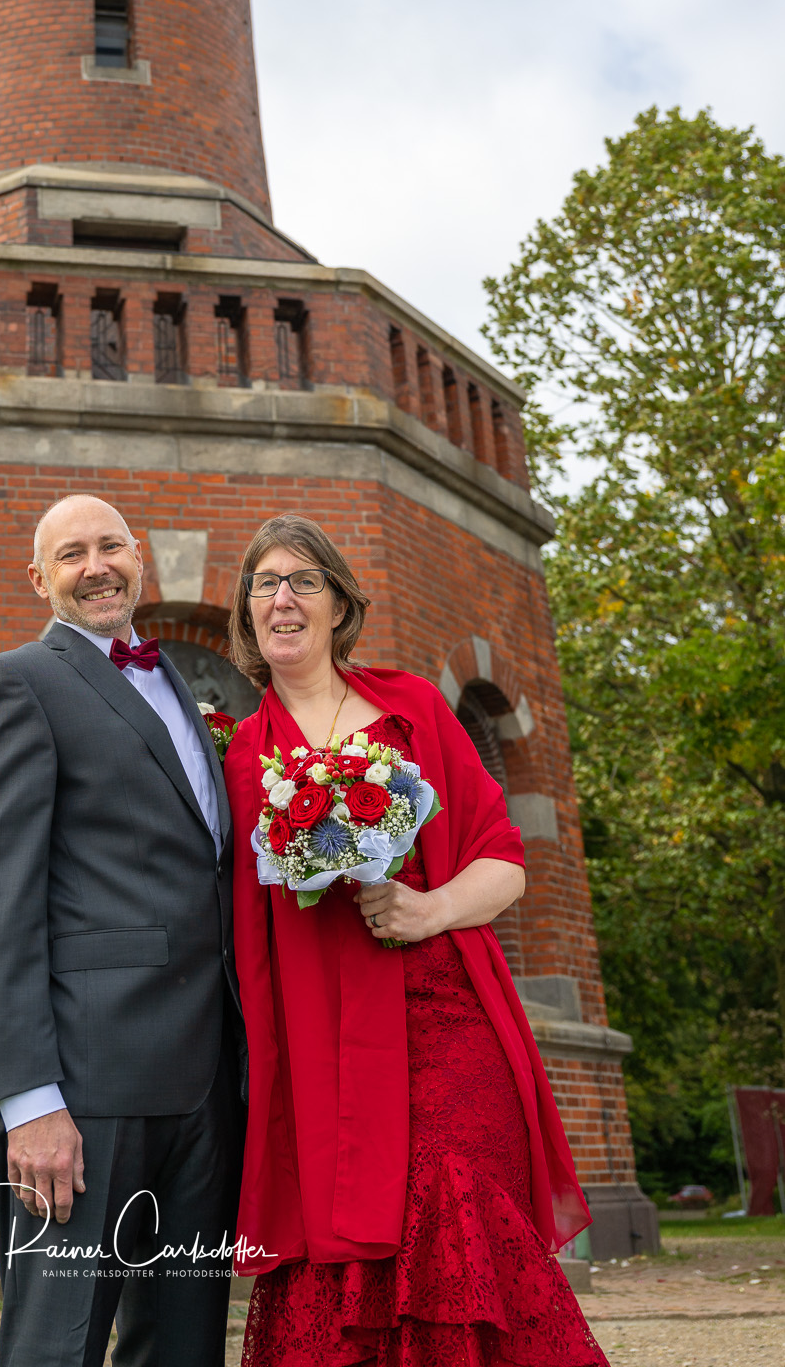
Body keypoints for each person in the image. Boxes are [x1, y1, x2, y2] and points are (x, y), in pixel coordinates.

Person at [222, 514, 607, 1367]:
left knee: (452, 1206)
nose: (281, 599)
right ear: (247, 612)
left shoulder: (414, 711)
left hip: (447, 1026)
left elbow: (503, 861)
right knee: (341, 1256)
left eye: (303, 581)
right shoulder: (240, 760)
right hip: (319, 1045)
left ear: (338, 605)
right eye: (263, 584)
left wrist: (427, 910)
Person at [0, 493, 243, 1367]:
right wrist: (29, 1100)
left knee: (184, 1346)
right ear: (40, 579)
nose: (96, 565)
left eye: (109, 545)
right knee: (57, 1344)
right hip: (82, 1090)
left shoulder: (180, 688)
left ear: (137, 557)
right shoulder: (16, 682)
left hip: (203, 1083)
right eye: (71, 554)